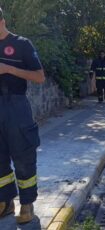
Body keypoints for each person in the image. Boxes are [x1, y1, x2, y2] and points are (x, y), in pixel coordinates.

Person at [0, 7, 45, 224]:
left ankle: (26, 203)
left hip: (16, 106)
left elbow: (39, 77)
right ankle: (5, 201)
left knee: (23, 156)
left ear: (2, 21)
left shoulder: (21, 44)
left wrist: (8, 68)